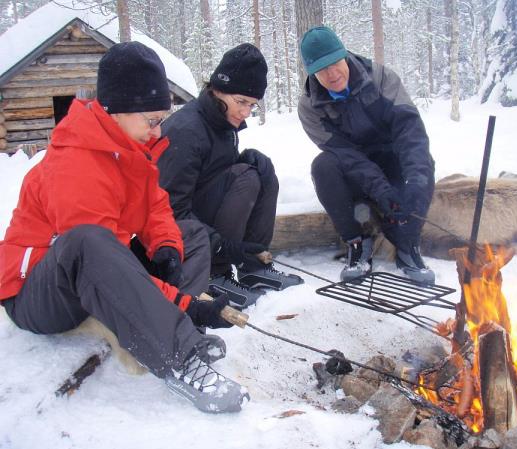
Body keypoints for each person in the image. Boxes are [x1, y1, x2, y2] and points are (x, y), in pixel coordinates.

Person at [0, 42, 248, 413]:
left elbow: (156, 207)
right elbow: (102, 263)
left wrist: (165, 244)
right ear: (116, 111)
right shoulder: (76, 166)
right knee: (88, 242)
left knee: (189, 235)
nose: (158, 129)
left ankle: (174, 325)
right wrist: (186, 301)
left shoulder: (129, 148)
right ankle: (179, 356)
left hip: (95, 269)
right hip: (37, 292)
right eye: (152, 120)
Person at [157, 43, 303, 308]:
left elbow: (211, 175)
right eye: (241, 102)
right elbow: (169, 209)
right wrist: (221, 247)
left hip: (202, 221)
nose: (246, 112)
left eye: (252, 105)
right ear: (217, 89)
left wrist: (242, 160)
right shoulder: (186, 131)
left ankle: (253, 266)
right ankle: (214, 274)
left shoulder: (221, 122)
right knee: (246, 177)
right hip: (180, 241)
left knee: (261, 167)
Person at [298, 26, 436, 284]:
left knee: (422, 163)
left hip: (392, 159)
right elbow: (346, 155)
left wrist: (416, 184)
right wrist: (380, 190)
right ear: (311, 72)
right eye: (321, 69)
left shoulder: (381, 78)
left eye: (335, 63)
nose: (332, 74)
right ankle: (356, 242)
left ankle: (408, 244)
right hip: (355, 172)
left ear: (345, 54)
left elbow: (411, 134)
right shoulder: (310, 107)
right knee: (323, 166)